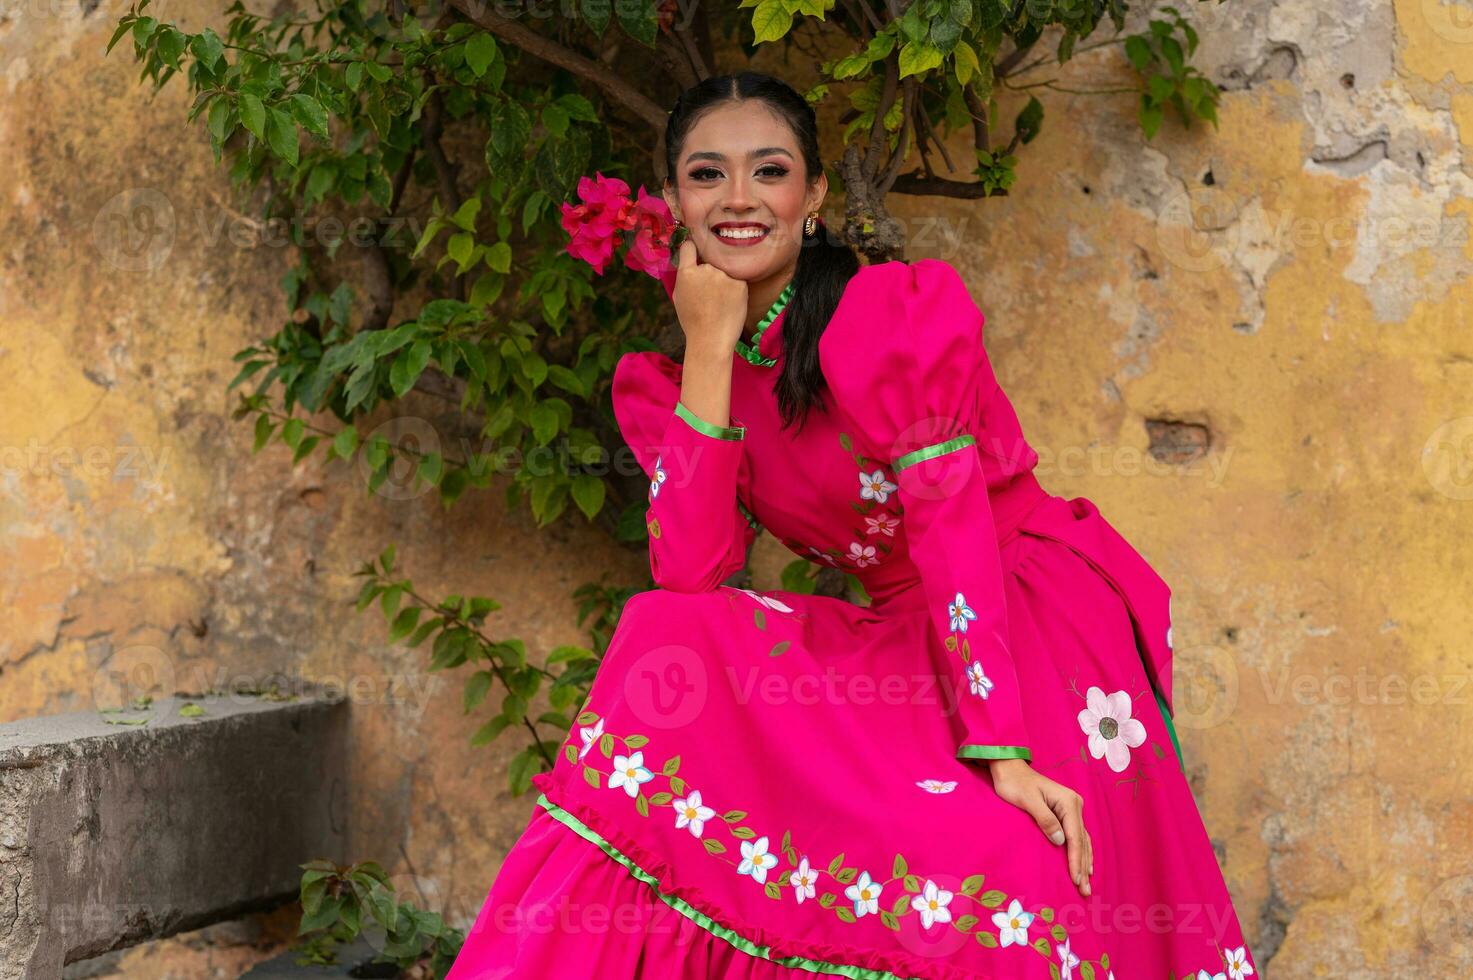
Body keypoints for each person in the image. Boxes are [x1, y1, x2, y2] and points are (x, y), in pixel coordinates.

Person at [445, 70, 1257, 980]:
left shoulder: (883, 319)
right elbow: (690, 576)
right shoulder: (695, 375)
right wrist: (708, 347)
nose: (740, 199)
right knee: (663, 631)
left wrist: (1005, 751)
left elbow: (953, 531)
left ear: (814, 196)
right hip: (898, 638)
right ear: (671, 197)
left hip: (1022, 606)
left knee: (1014, 864)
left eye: (770, 171)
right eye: (707, 175)